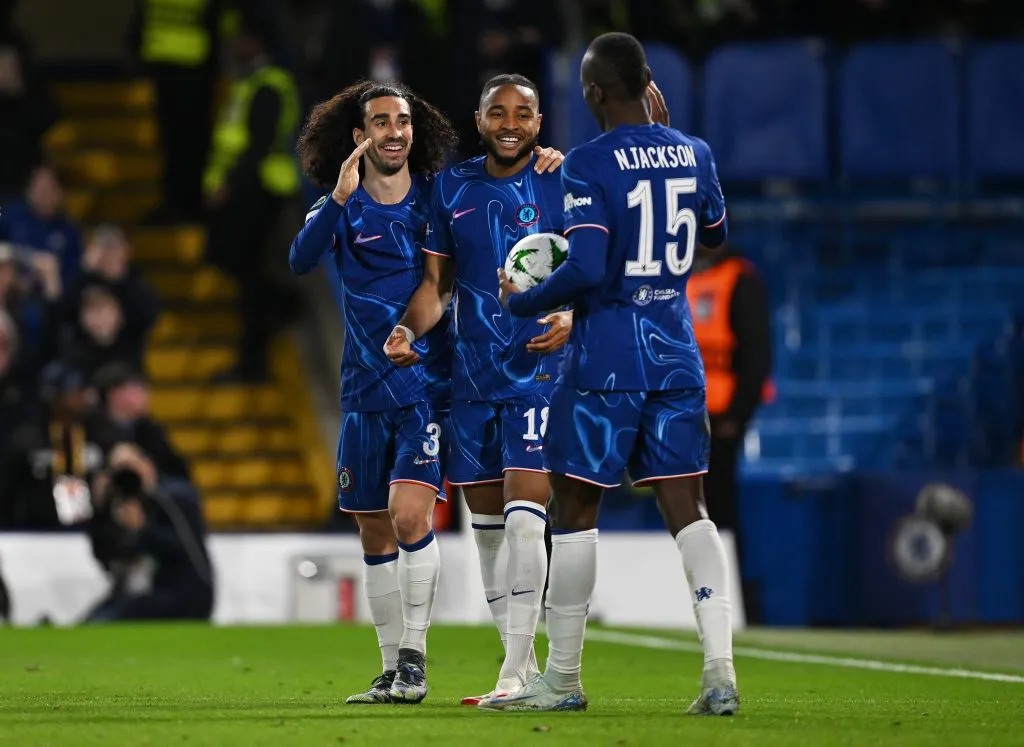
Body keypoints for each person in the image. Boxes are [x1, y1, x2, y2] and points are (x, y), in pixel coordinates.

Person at [485, 33, 740, 715]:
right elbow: (715, 233)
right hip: (676, 353)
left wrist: (523, 298)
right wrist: (665, 139)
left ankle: (562, 679)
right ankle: (720, 673)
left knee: (577, 506)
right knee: (690, 509)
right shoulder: (694, 151)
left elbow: (589, 267)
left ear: (594, 93)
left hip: (608, 359)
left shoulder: (588, 163)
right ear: (648, 83)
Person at [384, 74, 570, 705]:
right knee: (488, 529)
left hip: (540, 374)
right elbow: (437, 287)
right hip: (471, 376)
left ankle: (515, 675)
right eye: (499, 112)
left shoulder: (563, 181)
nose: (511, 123)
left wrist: (572, 316)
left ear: (540, 122)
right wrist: (407, 328)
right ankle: (519, 661)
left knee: (525, 524)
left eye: (523, 113)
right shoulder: (451, 188)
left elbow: (598, 267)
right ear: (480, 118)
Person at [288, 80, 458, 704]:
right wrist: (335, 198)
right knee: (372, 531)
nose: (394, 131)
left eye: (404, 120)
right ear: (359, 137)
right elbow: (301, 259)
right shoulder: (342, 206)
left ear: (416, 130)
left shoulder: (437, 203)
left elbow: (445, 283)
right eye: (381, 122)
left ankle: (414, 659)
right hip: (362, 394)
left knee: (411, 515)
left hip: (423, 389)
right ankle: (391, 670)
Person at [203, 10, 301, 383]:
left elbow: (259, 144)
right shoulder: (251, 81)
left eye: (242, 37)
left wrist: (231, 183)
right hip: (250, 189)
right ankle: (274, 312)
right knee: (239, 269)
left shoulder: (268, 84)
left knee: (249, 274)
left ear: (257, 42)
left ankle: (258, 349)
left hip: (259, 190)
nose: (235, 44)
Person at [686, 242, 772, 622]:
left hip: (720, 417)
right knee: (683, 509)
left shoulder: (740, 280)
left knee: (719, 510)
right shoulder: (679, 276)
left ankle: (733, 601)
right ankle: (689, 594)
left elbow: (757, 354)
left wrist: (736, 416)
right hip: (677, 409)